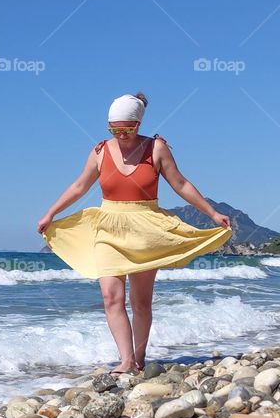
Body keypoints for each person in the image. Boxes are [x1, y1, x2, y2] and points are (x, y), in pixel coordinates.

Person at [36, 92, 233, 374]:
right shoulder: (100, 151)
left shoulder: (157, 148)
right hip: (107, 226)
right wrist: (50, 213)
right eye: (115, 129)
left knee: (140, 301)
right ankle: (126, 360)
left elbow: (180, 184)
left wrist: (212, 213)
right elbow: (79, 186)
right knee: (111, 297)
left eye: (127, 129)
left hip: (145, 228)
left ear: (138, 124)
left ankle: (139, 360)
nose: (121, 134)